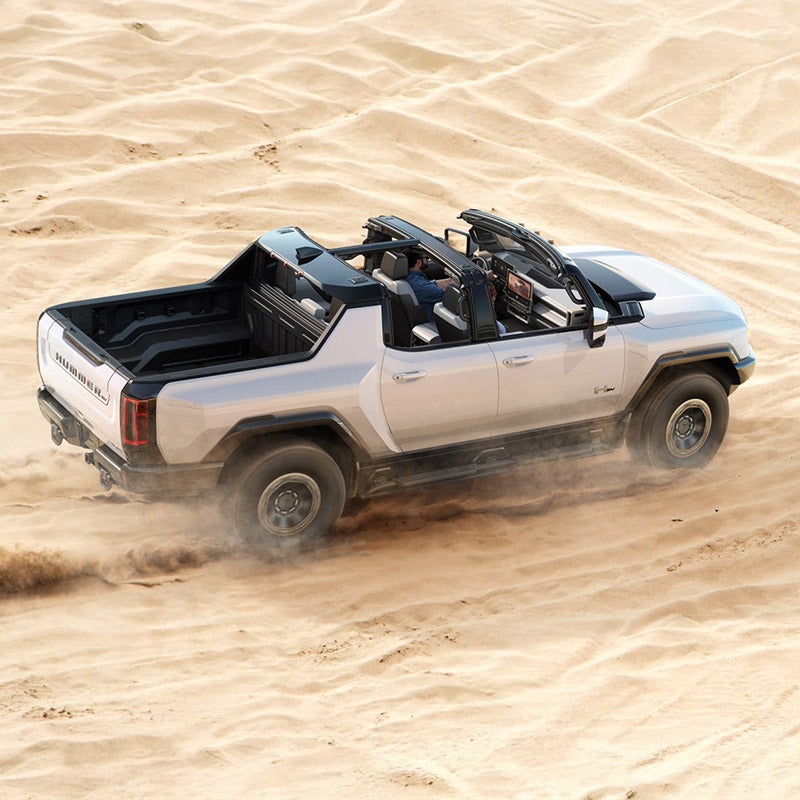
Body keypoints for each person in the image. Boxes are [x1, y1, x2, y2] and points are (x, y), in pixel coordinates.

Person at [404, 250, 452, 323]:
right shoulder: (420, 285)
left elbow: (432, 284)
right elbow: (451, 297)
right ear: (418, 262)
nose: (427, 260)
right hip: (435, 322)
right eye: (426, 258)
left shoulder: (411, 277)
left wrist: (452, 280)